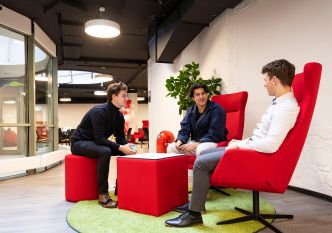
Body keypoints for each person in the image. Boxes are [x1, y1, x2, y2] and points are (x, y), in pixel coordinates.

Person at [165, 59, 300, 227]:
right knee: (205, 154)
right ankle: (196, 204)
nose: (264, 84)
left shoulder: (286, 108)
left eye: (265, 80)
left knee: (200, 162)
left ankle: (194, 215)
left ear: (274, 80)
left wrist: (240, 145)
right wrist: (241, 141)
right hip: (250, 149)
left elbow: (271, 145)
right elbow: (262, 138)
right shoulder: (279, 104)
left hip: (255, 157)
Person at [70, 82, 136, 208]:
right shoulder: (99, 111)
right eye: (124, 96)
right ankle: (103, 194)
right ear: (114, 96)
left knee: (126, 151)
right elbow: (99, 139)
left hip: (94, 143)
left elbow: (121, 139)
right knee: (105, 151)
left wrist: (129, 146)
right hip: (79, 142)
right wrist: (121, 147)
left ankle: (120, 188)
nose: (126, 99)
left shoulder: (119, 116)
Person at [167, 83, 227, 156]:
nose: (201, 97)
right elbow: (185, 129)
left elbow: (214, 134)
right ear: (193, 98)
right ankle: (178, 167)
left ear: (207, 94)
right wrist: (180, 141)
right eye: (197, 94)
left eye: (203, 93)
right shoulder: (191, 110)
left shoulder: (217, 109)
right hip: (196, 142)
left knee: (200, 149)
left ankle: (200, 167)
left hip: (214, 142)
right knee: (171, 148)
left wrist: (195, 145)